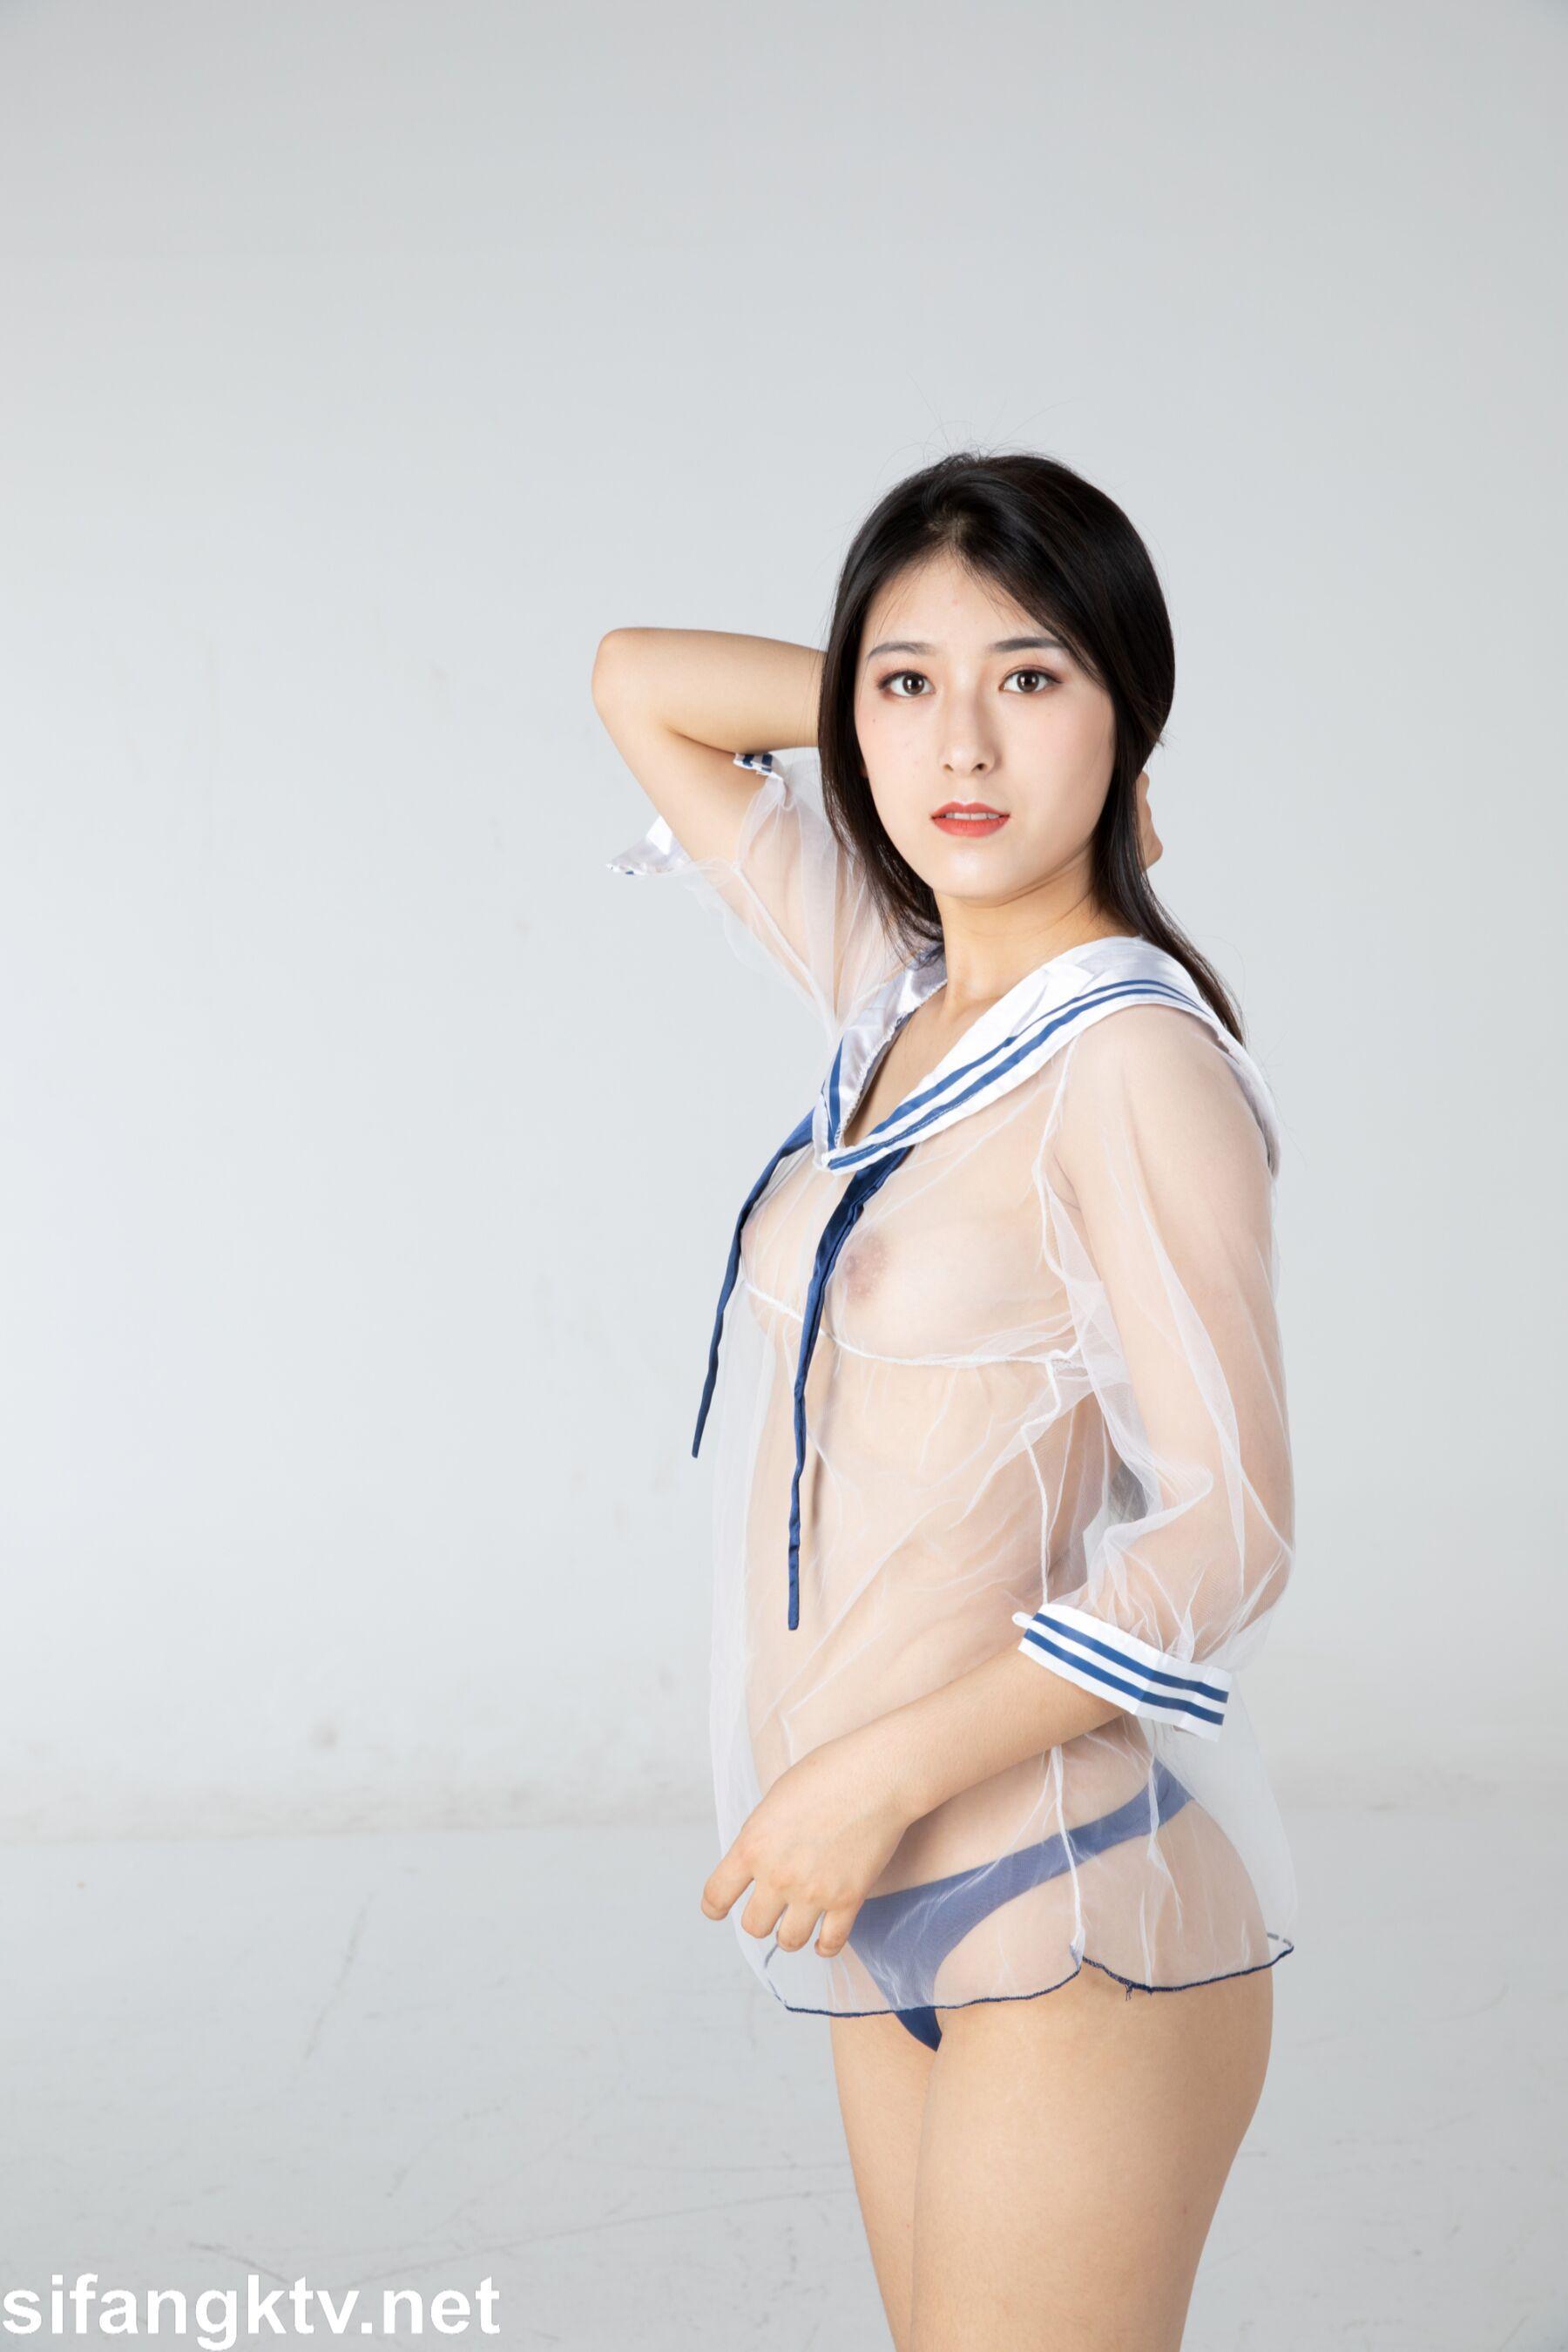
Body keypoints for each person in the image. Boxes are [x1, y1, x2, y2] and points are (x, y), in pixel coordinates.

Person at [592, 450, 1297, 2352]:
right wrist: (907, 706)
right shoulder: (893, 992)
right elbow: (640, 680)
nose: (960, 743)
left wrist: (870, 1781)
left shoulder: (1127, 1060)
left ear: (1128, 715)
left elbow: (1232, 1535)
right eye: (906, 683)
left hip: (1049, 1895)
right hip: (876, 1901)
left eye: (1034, 679)